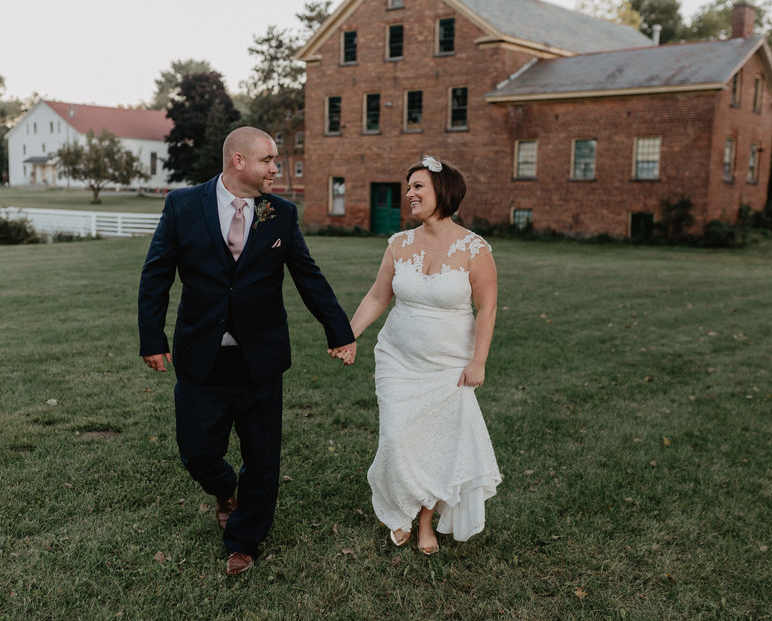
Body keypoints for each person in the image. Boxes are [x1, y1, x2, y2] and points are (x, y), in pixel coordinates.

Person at [138, 127, 357, 576]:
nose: (276, 169)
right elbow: (156, 275)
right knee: (197, 451)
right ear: (238, 161)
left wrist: (339, 329)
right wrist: (151, 338)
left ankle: (243, 540)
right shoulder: (183, 206)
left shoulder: (280, 214)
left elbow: (307, 275)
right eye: (269, 161)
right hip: (202, 355)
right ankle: (223, 489)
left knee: (262, 457)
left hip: (261, 358)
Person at [348, 155, 501, 555]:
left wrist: (478, 361)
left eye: (418, 186)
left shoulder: (474, 247)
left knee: (436, 444)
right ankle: (400, 508)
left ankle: (425, 522)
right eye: (409, 186)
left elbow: (486, 308)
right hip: (398, 360)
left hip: (449, 365)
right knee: (398, 437)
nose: (409, 193)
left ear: (443, 192)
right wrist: (348, 334)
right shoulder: (398, 245)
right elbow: (379, 295)